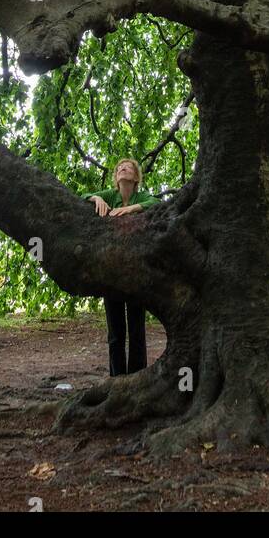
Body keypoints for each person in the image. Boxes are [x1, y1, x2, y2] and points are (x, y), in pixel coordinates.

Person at [84, 158, 157, 376]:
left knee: (137, 330)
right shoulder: (109, 195)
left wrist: (133, 208)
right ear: (116, 178)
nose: (122, 169)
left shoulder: (141, 197)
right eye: (119, 168)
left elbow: (158, 204)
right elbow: (81, 197)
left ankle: (137, 377)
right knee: (115, 332)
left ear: (135, 177)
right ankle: (116, 379)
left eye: (128, 167)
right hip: (112, 271)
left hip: (136, 271)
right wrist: (96, 197)